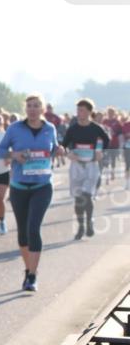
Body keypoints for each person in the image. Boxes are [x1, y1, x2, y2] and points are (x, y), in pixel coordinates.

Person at [0, 94, 63, 292]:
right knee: (23, 233)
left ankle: (32, 275)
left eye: (36, 106)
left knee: (34, 228)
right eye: (29, 106)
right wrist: (14, 155)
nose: (32, 109)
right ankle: (28, 269)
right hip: (19, 187)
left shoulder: (50, 128)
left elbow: (53, 147)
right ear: (25, 109)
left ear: (42, 109)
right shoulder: (15, 128)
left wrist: (59, 150)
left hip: (42, 186)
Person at [61, 98, 109, 239]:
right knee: (78, 199)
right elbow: (64, 144)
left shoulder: (95, 128)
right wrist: (68, 153)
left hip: (91, 165)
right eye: (77, 110)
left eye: (81, 110)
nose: (79, 113)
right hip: (76, 166)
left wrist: (99, 151)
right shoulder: (73, 128)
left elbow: (105, 140)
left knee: (87, 196)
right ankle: (81, 226)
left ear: (89, 112)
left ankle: (89, 222)